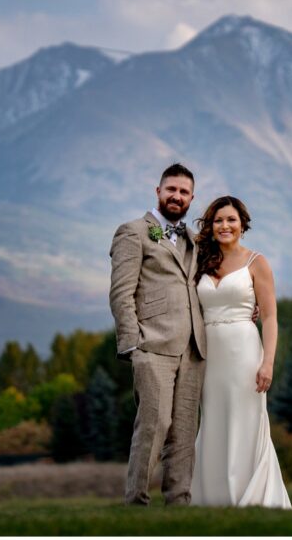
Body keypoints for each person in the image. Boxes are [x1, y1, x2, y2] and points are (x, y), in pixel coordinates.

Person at [109, 163, 207, 506]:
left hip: (193, 349)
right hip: (152, 346)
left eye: (184, 192)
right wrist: (132, 345)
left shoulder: (195, 241)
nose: (177, 196)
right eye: (171, 190)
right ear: (158, 192)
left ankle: (178, 504)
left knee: (184, 431)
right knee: (155, 424)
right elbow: (121, 293)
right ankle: (135, 502)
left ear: (191, 198)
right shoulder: (133, 232)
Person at [189, 195, 292, 509]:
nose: (225, 225)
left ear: (242, 224)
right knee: (214, 422)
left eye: (231, 220)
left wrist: (268, 363)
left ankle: (254, 498)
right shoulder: (199, 261)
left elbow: (270, 317)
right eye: (218, 220)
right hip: (208, 355)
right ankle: (213, 499)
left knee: (246, 421)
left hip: (244, 353)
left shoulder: (256, 262)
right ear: (211, 225)